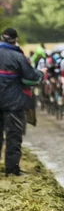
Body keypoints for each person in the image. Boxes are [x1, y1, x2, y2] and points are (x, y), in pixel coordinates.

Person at [0, 28, 42, 176]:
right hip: (13, 103)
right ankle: (12, 170)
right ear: (15, 40)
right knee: (13, 136)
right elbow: (31, 76)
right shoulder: (18, 57)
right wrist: (40, 74)